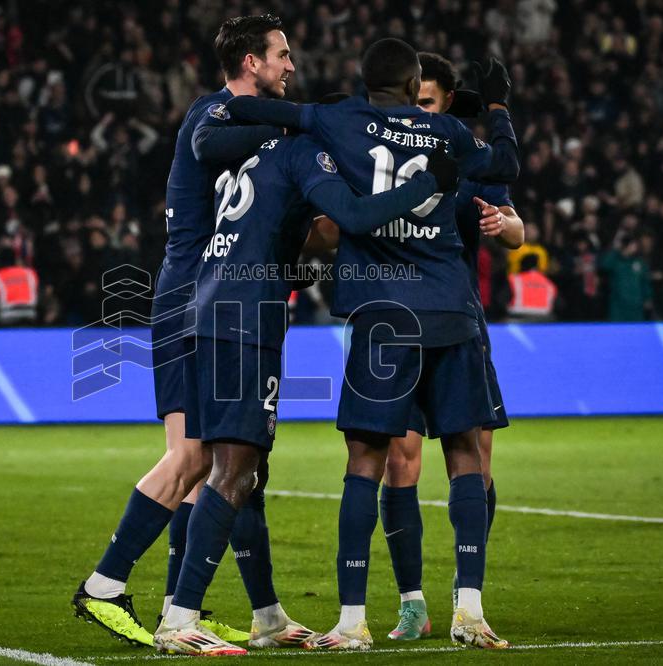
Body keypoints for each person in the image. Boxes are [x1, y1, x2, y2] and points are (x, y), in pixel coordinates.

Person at [225, 38, 519, 650]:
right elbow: (506, 164)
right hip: (450, 307)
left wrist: (225, 112)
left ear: (364, 83)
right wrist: (495, 105)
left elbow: (265, 113)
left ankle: (353, 621)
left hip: (383, 312)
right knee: (466, 454)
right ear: (416, 86)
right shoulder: (447, 136)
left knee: (366, 461)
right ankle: (469, 609)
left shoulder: (341, 120)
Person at [155, 122, 457, 656]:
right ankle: (179, 616)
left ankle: (265, 616)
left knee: (245, 472)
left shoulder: (253, 153)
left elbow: (288, 241)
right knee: (232, 470)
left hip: (213, 309)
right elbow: (351, 218)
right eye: (282, 54)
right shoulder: (304, 153)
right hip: (244, 323)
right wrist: (423, 185)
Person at [72, 14, 310, 649]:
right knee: (191, 457)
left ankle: (193, 612)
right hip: (188, 299)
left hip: (203, 295)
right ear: (252, 63)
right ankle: (105, 586)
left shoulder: (246, 121)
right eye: (282, 55)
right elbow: (210, 148)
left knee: (215, 463)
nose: (291, 65)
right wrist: (313, 121)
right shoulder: (214, 114)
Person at [377, 51, 524, 644]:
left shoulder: (467, 156)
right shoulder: (383, 159)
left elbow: (515, 228)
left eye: (429, 104)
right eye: (413, 102)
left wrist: (505, 227)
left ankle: (470, 600)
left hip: (460, 321)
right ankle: (413, 603)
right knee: (398, 461)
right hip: (397, 322)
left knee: (475, 462)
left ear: (445, 106)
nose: (419, 113)